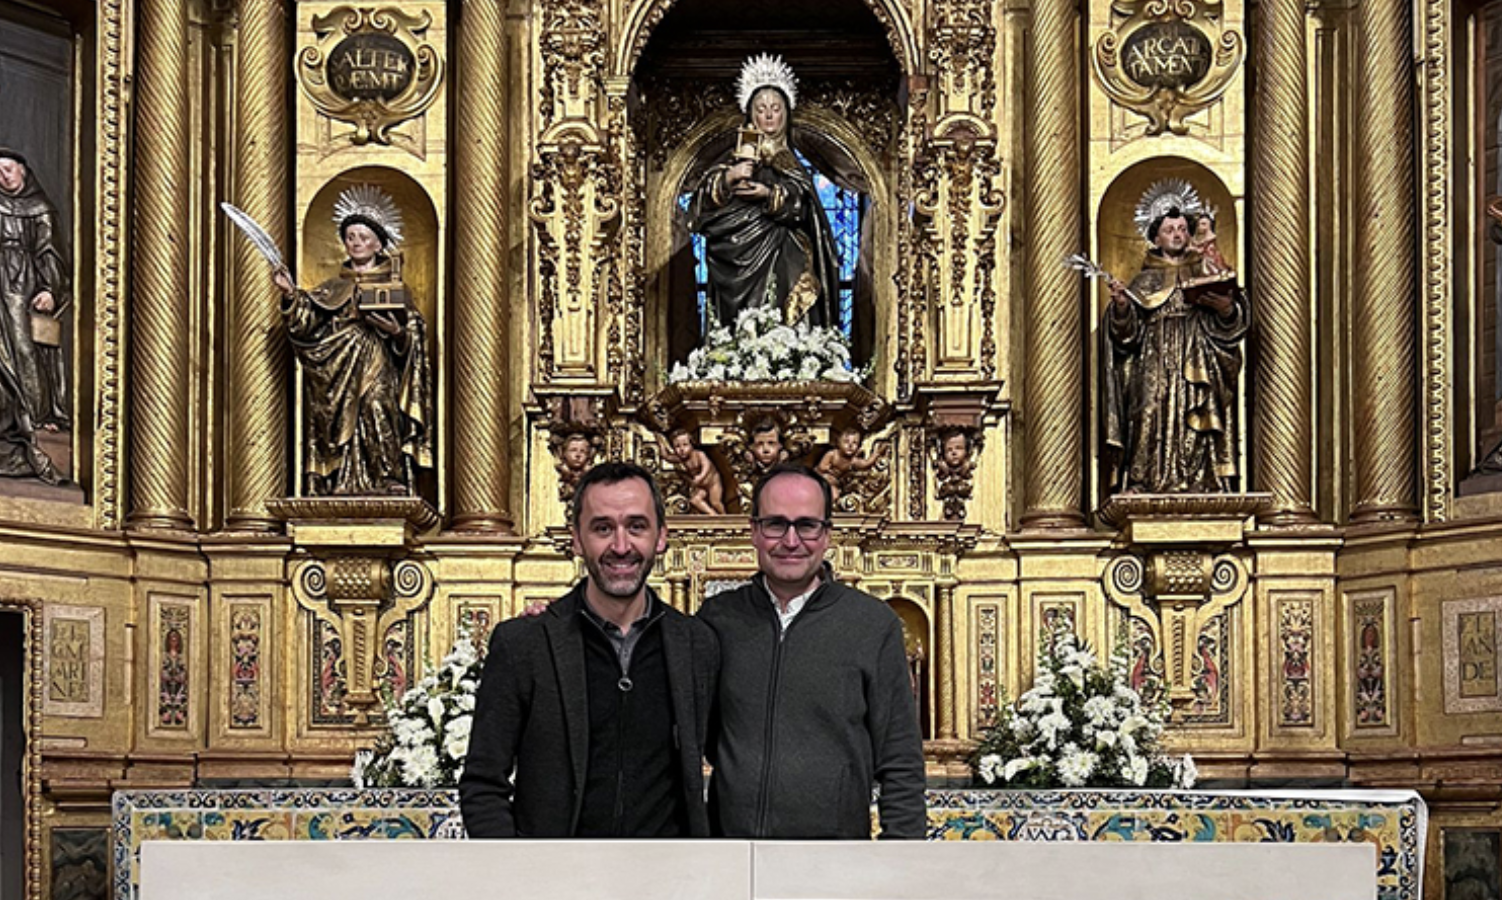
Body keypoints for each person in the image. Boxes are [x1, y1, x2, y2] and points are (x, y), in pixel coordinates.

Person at [459, 463, 720, 838]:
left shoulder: (697, 645)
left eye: (637, 526)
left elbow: (733, 762)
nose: (620, 546)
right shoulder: (525, 644)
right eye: (602, 528)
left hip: (667, 882)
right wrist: (515, 877)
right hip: (555, 884)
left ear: (661, 536)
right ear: (577, 539)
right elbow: (483, 784)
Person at [697, 463, 926, 839]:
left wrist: (899, 859)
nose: (790, 541)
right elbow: (694, 740)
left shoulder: (871, 624)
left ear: (826, 534)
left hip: (833, 859)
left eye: (806, 525)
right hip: (733, 856)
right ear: (754, 531)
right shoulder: (718, 620)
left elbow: (900, 756)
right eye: (775, 524)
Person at [273, 185, 433, 496]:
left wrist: (396, 332)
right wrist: (291, 295)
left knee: (376, 406)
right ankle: (340, 478)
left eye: (363, 237)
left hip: (377, 358)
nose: (356, 242)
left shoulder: (394, 286)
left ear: (378, 243)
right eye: (350, 237)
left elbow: (413, 332)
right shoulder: (332, 288)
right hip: (338, 366)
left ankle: (386, 475)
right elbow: (307, 326)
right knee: (340, 413)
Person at [1103, 201, 1248, 495]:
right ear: (1156, 238)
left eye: (1182, 228)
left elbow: (1233, 322)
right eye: (1170, 229)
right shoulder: (1143, 280)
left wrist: (1225, 309)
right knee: (1148, 410)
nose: (1177, 234)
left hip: (1199, 350)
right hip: (1154, 355)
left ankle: (1205, 481)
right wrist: (1121, 308)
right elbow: (1126, 337)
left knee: (1197, 411)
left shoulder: (1206, 269)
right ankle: (1142, 481)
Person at [690, 54, 840, 332]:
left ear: (786, 113)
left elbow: (805, 207)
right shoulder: (732, 158)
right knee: (740, 326)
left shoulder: (790, 162)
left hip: (784, 254)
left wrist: (768, 194)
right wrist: (730, 178)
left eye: (775, 108)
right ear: (751, 113)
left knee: (790, 288)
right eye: (761, 109)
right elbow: (700, 208)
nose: (769, 115)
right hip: (736, 258)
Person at [0, 148, 69, 432]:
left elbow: (50, 252)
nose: (2, 176)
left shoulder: (40, 208)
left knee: (25, 347)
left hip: (22, 285)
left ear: (23, 172)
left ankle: (36, 412)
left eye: (8, 169)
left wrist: (50, 289)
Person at [658, 428, 726, 515]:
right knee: (695, 500)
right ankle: (713, 514)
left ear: (691, 445)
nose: (681, 449)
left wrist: (701, 476)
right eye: (677, 446)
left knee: (715, 502)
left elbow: (707, 466)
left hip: (712, 482)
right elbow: (666, 456)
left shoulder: (699, 454)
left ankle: (725, 517)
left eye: (685, 445)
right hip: (701, 485)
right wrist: (661, 443)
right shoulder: (681, 459)